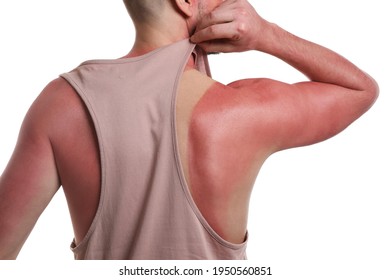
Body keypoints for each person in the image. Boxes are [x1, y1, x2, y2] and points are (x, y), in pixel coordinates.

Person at [0, 0, 378, 260]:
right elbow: (360, 89)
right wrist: (265, 34)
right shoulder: (238, 110)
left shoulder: (61, 104)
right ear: (184, 1)